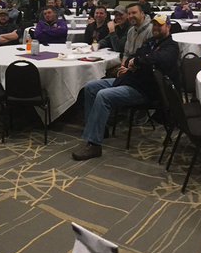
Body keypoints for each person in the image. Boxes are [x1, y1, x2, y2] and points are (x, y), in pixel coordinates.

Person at [72, 14, 180, 160]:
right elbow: (134, 55)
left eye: (159, 25)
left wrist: (137, 62)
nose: (155, 28)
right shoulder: (150, 42)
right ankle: (99, 130)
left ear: (168, 27)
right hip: (130, 80)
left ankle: (94, 145)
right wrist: (131, 64)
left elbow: (157, 58)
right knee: (91, 87)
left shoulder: (171, 47)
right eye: (154, 24)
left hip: (145, 91)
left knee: (103, 95)